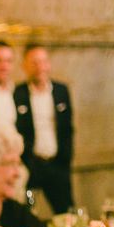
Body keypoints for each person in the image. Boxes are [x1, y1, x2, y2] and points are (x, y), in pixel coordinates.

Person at [14, 44, 74, 213]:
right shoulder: (18, 93)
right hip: (31, 164)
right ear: (25, 66)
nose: (40, 67)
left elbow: (67, 128)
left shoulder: (61, 91)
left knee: (66, 212)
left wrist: (66, 157)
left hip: (57, 163)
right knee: (26, 212)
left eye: (43, 61)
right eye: (34, 62)